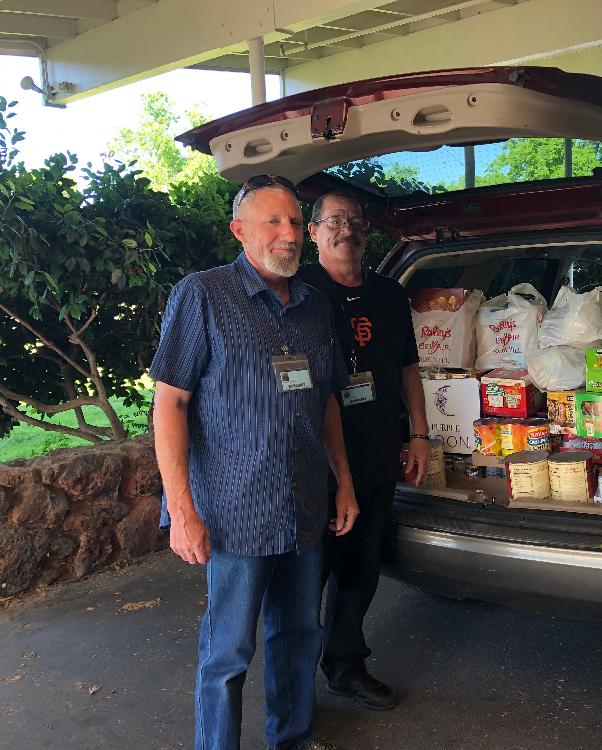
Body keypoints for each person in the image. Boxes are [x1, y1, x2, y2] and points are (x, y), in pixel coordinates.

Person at [151, 175, 358, 750]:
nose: (288, 234)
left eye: (294, 221)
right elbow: (169, 403)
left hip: (304, 506)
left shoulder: (316, 306)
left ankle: (292, 737)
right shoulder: (204, 294)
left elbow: (327, 401)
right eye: (273, 221)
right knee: (228, 650)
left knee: (298, 632)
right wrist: (183, 510)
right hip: (234, 511)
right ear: (239, 231)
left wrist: (343, 483)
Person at [299, 191, 430, 711]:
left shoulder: (389, 294)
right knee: (307, 578)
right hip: (313, 461)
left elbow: (408, 368)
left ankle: (345, 666)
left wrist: (418, 434)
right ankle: (293, 688)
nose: (345, 230)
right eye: (333, 221)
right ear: (313, 233)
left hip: (375, 451)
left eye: (354, 221)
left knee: (360, 571)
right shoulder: (298, 290)